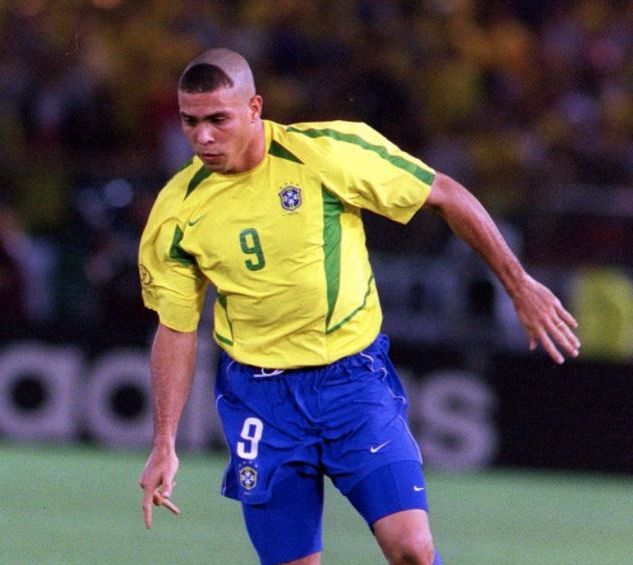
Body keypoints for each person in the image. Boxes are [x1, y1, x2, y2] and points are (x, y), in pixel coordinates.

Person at [138, 48, 580, 565]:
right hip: (259, 398)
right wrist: (164, 442)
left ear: (255, 108)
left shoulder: (325, 153)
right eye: (190, 122)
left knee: (412, 549)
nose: (203, 137)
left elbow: (444, 194)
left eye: (218, 119)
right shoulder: (177, 210)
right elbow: (176, 328)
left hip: (351, 382)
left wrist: (519, 285)